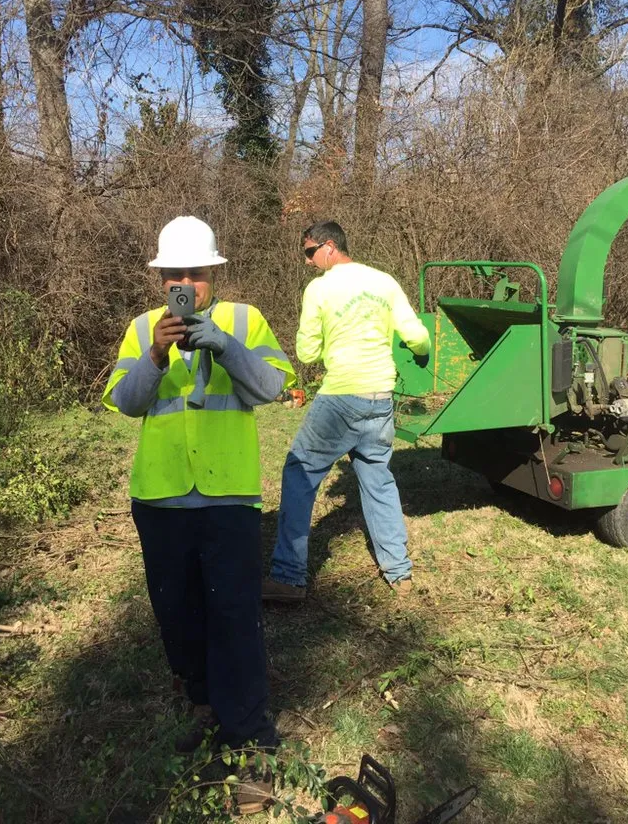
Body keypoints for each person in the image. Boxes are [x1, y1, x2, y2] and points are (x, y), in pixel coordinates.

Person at [103, 216, 295, 814]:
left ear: (214, 274)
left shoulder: (246, 320)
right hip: (159, 497)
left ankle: (254, 745)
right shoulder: (141, 330)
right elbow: (127, 404)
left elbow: (271, 389)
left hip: (227, 497)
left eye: (197, 273)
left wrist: (226, 346)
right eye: (174, 274)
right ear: (161, 278)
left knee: (235, 618)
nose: (186, 283)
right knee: (177, 615)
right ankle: (207, 708)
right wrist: (156, 355)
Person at [263, 221, 430, 602]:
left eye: (310, 252)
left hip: (340, 398)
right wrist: (421, 355)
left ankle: (289, 578)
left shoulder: (320, 289)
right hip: (380, 398)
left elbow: (306, 352)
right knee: (378, 479)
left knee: (299, 472)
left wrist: (329, 348)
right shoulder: (385, 281)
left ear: (330, 247)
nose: (307, 262)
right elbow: (417, 337)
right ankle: (399, 573)